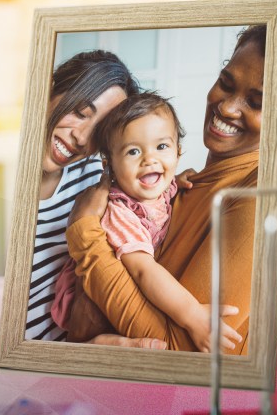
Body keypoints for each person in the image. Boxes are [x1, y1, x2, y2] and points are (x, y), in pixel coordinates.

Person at [65, 25, 267, 354]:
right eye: (225, 83)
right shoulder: (178, 186)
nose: (227, 108)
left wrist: (84, 234)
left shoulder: (258, 195)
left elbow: (180, 352)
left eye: (256, 102)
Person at [50, 92, 242, 352]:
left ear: (178, 152)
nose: (149, 159)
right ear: (110, 166)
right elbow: (143, 270)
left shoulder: (164, 189)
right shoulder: (121, 212)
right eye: (133, 151)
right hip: (94, 308)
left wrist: (182, 181)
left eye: (162, 147)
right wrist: (192, 315)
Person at [27, 50, 156, 346]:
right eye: (80, 113)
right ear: (49, 92)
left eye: (98, 131)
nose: (82, 139)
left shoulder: (93, 176)